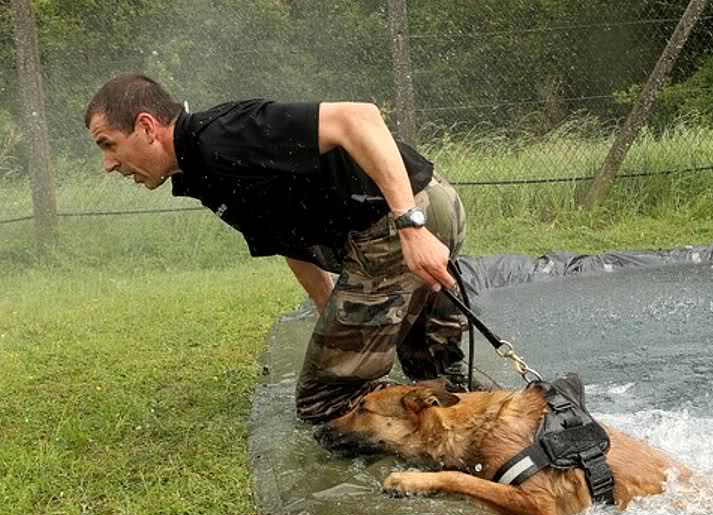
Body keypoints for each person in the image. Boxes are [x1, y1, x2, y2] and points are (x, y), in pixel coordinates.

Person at [85, 73, 470, 422]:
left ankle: (428, 445)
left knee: (326, 399)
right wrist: (332, 316)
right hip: (415, 209)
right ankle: (460, 407)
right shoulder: (198, 169)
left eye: (108, 144)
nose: (107, 164)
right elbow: (287, 236)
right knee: (426, 366)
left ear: (146, 126)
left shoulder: (221, 136)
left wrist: (410, 225)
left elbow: (359, 118)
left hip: (401, 217)